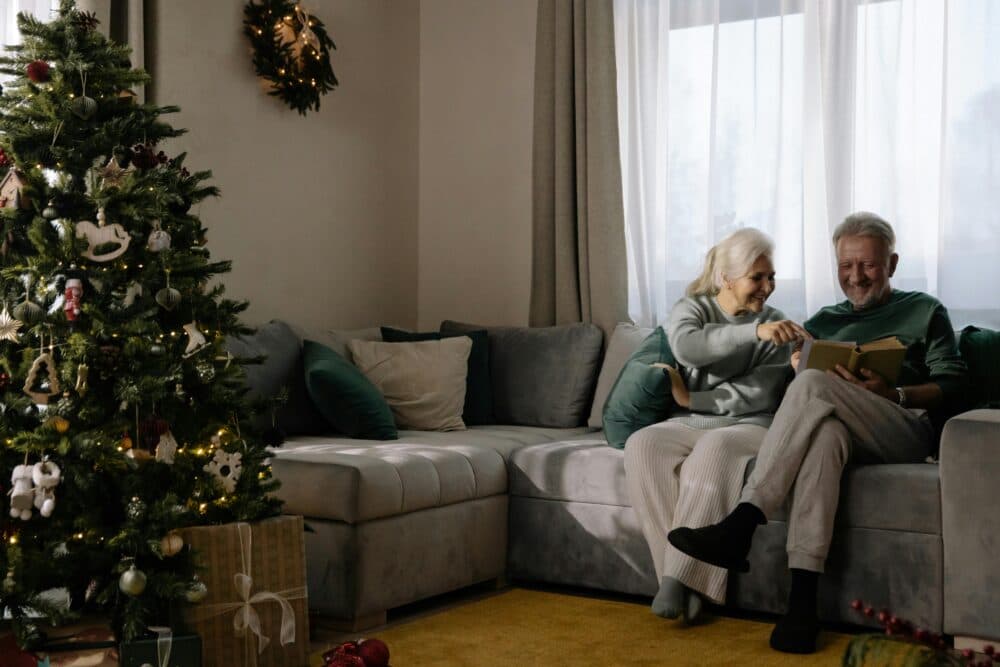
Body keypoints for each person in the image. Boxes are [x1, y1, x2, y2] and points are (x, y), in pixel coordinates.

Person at [667, 212, 969, 653]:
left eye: (867, 265)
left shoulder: (925, 310)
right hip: (843, 427)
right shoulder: (824, 320)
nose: (856, 276)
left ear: (893, 263)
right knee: (823, 436)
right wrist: (794, 370)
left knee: (813, 386)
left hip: (903, 429)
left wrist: (895, 391)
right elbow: (798, 402)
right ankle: (802, 605)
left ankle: (743, 521)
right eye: (846, 266)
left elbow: (954, 383)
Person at [624, 227, 808, 624]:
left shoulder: (778, 323)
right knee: (642, 445)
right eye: (757, 277)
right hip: (689, 422)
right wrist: (752, 332)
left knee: (716, 450)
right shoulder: (692, 308)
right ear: (726, 277)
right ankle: (678, 581)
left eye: (771, 276)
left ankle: (674, 582)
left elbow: (760, 393)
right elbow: (688, 347)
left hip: (752, 424)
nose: (767, 287)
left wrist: (694, 399)